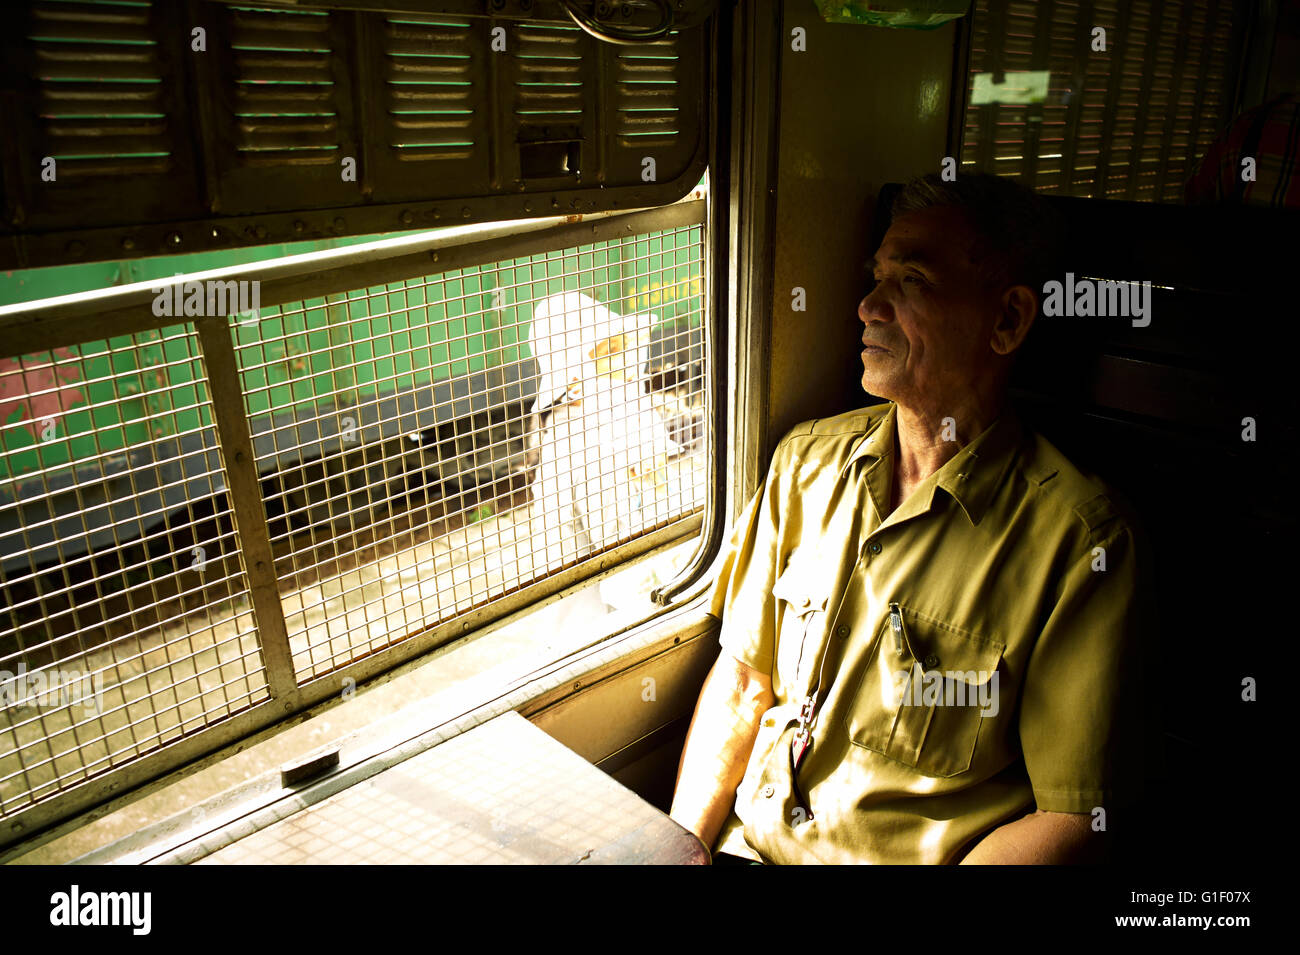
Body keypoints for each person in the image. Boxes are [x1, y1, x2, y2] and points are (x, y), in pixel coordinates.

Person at [669, 172, 1144, 864]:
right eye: (876, 278)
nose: (866, 306)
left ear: (1007, 320)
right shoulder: (805, 463)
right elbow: (743, 682)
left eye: (912, 281)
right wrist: (680, 848)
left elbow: (1068, 812)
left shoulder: (1081, 544)